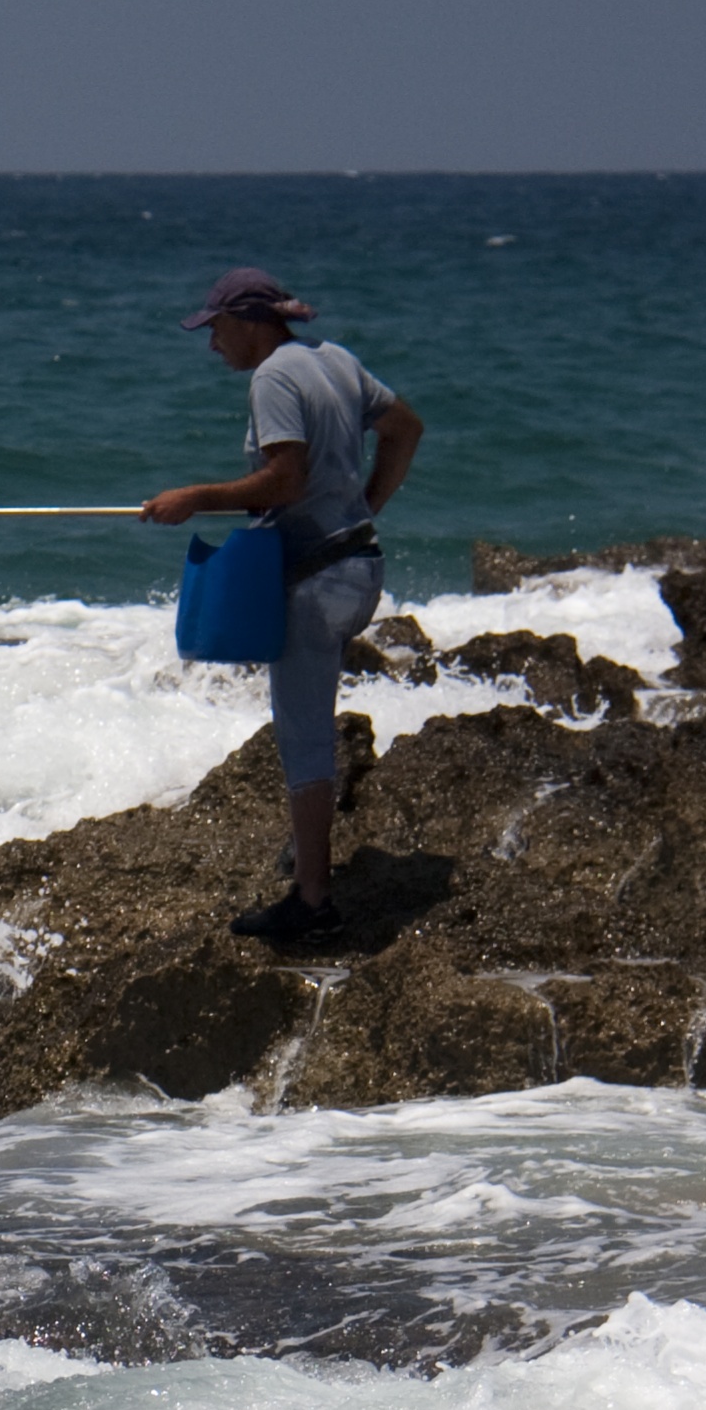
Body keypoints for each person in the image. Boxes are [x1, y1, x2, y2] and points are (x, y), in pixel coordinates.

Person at [141, 266, 422, 943]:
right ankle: (308, 847)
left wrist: (194, 498)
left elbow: (284, 479)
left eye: (216, 329)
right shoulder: (333, 358)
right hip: (360, 566)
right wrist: (365, 506)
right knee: (312, 717)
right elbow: (406, 428)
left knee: (303, 734)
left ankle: (313, 902)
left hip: (319, 579)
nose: (213, 344)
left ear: (249, 322)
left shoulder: (271, 377)